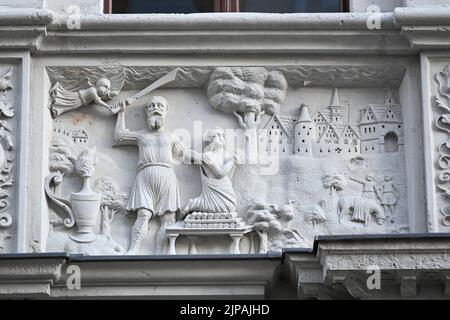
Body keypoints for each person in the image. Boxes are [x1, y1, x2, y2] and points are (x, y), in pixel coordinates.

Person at [114, 95, 184, 255]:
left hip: (167, 177)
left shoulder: (172, 136)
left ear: (166, 110)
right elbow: (119, 136)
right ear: (147, 111)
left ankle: (160, 254)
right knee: (143, 214)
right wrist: (121, 113)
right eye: (151, 106)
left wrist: (210, 158)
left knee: (168, 219)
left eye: (160, 105)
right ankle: (133, 249)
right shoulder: (141, 135)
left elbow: (185, 155)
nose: (156, 108)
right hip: (145, 176)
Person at [183, 127, 237, 215]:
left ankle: (196, 203)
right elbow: (220, 174)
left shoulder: (227, 155)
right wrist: (232, 162)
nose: (221, 137)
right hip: (214, 191)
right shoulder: (208, 155)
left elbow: (229, 177)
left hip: (225, 188)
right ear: (211, 139)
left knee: (230, 207)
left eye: (222, 135)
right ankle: (194, 204)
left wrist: (234, 164)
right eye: (217, 135)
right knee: (225, 209)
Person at [49, 78, 118, 118]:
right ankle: (57, 92)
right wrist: (108, 106)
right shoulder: (93, 90)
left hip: (80, 102)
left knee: (67, 105)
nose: (106, 90)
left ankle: (57, 109)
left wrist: (111, 94)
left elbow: (103, 97)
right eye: (105, 87)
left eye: (108, 89)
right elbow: (98, 101)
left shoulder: (95, 92)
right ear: (98, 85)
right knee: (66, 101)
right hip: (78, 98)